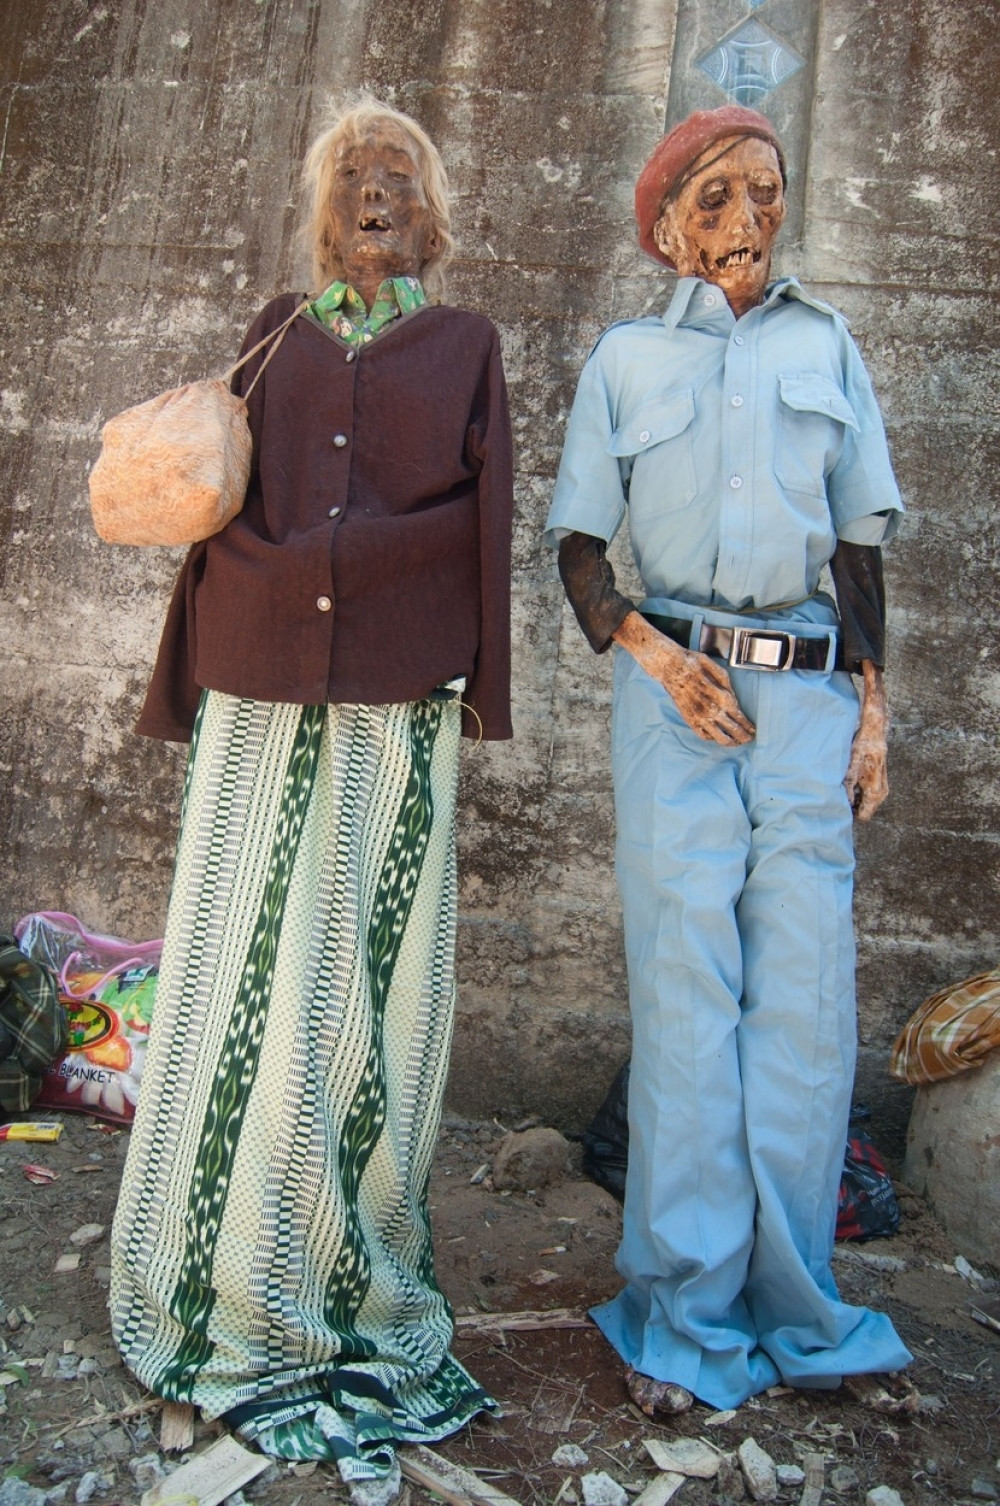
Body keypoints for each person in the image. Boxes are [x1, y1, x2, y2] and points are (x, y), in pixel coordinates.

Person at [110, 99, 513, 1485]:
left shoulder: (467, 347)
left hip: (399, 698)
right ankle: (215, 1261)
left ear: (437, 216)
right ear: (319, 208)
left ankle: (343, 1262)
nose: (376, 191)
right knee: (242, 968)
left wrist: (478, 684)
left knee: (359, 981)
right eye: (353, 174)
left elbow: (493, 514)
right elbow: (222, 510)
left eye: (401, 174)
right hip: (260, 686)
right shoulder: (277, 326)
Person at [545, 105, 912, 1415]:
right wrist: (654, 654)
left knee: (807, 1008)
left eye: (768, 192)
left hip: (809, 711)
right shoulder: (628, 361)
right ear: (666, 226)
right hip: (674, 700)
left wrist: (873, 711)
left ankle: (799, 1306)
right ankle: (685, 1316)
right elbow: (581, 548)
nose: (751, 219)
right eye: (719, 198)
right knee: (690, 1005)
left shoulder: (828, 345)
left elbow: (860, 542)